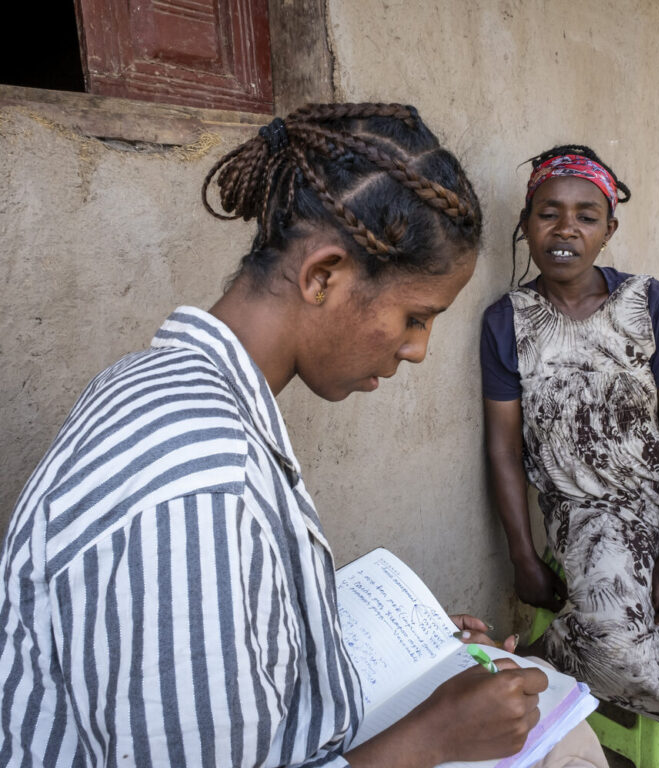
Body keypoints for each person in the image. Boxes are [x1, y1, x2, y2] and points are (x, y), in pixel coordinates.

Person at [0, 106, 607, 768]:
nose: (417, 350)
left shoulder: (167, 385)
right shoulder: (200, 486)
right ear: (323, 277)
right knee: (566, 749)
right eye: (414, 317)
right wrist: (433, 735)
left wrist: (384, 650)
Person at [481, 144, 659, 753]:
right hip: (589, 511)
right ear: (525, 224)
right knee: (612, 644)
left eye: (587, 215)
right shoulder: (506, 321)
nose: (566, 229)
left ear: (608, 230)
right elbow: (504, 451)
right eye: (548, 212)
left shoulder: (649, 302)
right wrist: (523, 556)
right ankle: (553, 657)